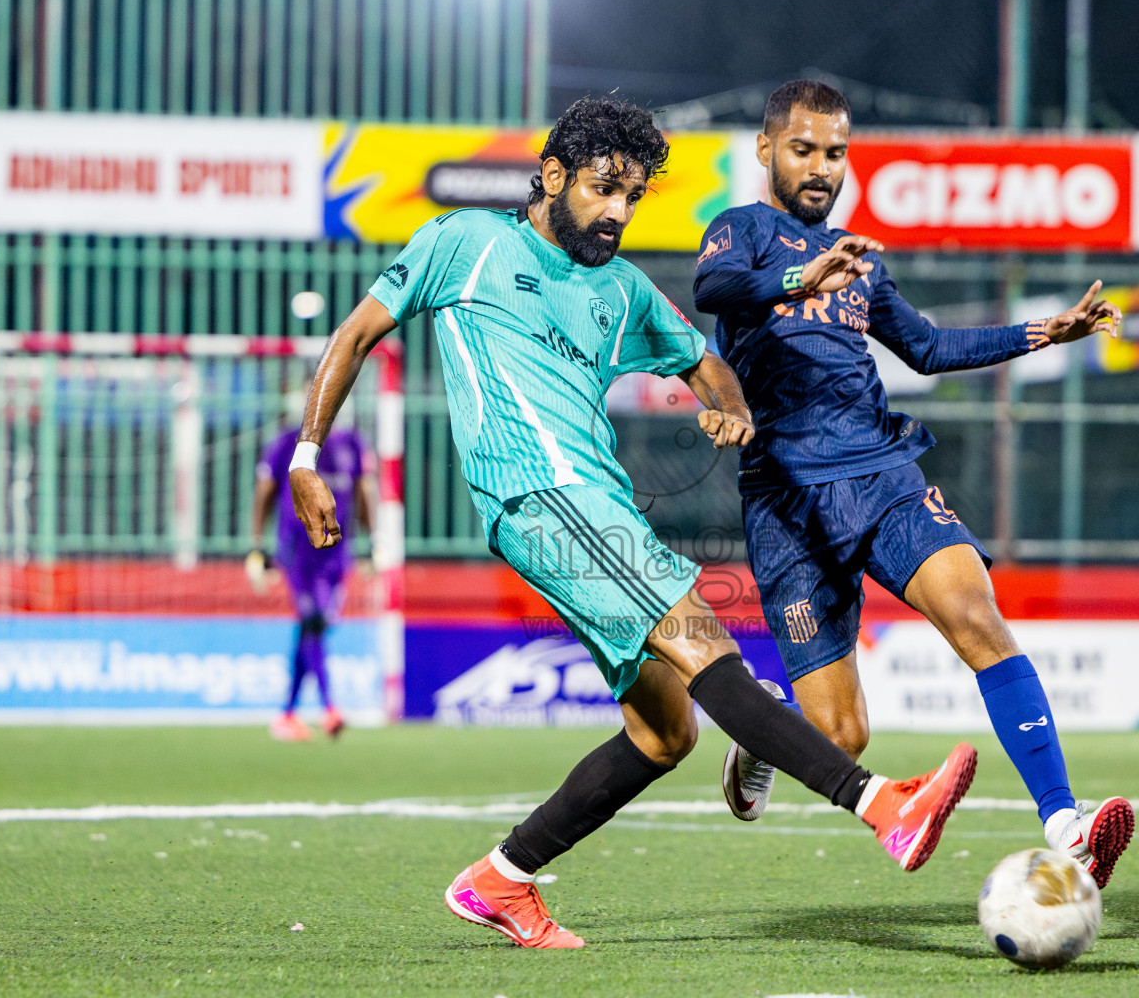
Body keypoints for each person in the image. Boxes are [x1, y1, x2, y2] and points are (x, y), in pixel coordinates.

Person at [286, 97, 978, 949]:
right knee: (705, 645)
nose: (617, 211)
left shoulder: (622, 290)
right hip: (536, 496)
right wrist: (306, 459)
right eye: (602, 189)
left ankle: (501, 879)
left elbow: (708, 361)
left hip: (599, 504)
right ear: (551, 177)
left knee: (665, 730)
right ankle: (882, 804)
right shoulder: (465, 243)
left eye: (633, 197)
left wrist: (728, 408)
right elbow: (356, 336)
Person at [692, 79, 1135, 888]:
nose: (822, 167)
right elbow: (713, 292)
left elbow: (928, 348)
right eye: (804, 149)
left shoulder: (861, 260)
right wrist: (800, 280)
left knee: (977, 616)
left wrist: (1047, 332)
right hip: (788, 503)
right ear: (766, 151)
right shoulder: (742, 230)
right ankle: (763, 736)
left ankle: (1067, 829)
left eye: (835, 153)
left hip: (882, 475)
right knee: (841, 736)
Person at [249, 418, 377, 742]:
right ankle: (329, 708)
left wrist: (373, 542)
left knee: (313, 629)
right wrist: (257, 547)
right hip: (298, 554)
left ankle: (287, 714)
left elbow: (363, 490)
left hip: (336, 556)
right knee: (313, 621)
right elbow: (265, 490)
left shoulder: (352, 443)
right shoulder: (288, 441)